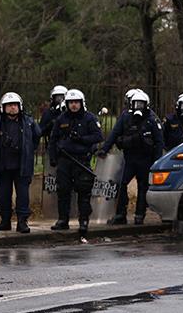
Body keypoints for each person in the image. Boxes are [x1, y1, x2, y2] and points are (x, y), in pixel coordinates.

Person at [99, 89, 163, 225]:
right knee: (121, 184)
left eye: (141, 104)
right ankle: (121, 214)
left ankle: (140, 215)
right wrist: (104, 149)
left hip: (145, 159)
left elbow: (159, 141)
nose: (138, 106)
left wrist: (157, 161)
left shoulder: (151, 120)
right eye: (136, 103)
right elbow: (114, 133)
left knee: (142, 187)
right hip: (130, 158)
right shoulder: (125, 117)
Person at [49, 88, 103, 235]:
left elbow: (98, 136)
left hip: (81, 161)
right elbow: (53, 140)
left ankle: (83, 222)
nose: (73, 105)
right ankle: (62, 220)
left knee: (84, 193)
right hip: (65, 161)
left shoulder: (89, 118)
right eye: (71, 102)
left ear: (81, 103)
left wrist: (82, 139)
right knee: (63, 191)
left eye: (76, 102)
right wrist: (53, 158)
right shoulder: (61, 119)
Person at [0, 92, 41, 234]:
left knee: (23, 195)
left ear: (20, 106)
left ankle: (22, 222)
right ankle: (5, 221)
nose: (12, 108)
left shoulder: (28, 121)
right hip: (3, 166)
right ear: (3, 107)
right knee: (3, 195)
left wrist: (28, 150)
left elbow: (37, 136)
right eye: (9, 105)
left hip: (22, 166)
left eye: (15, 105)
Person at [37, 84, 67, 160]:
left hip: (68, 149)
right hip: (52, 148)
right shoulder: (48, 113)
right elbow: (40, 131)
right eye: (57, 97)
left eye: (62, 97)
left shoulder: (70, 113)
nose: (59, 100)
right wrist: (50, 125)